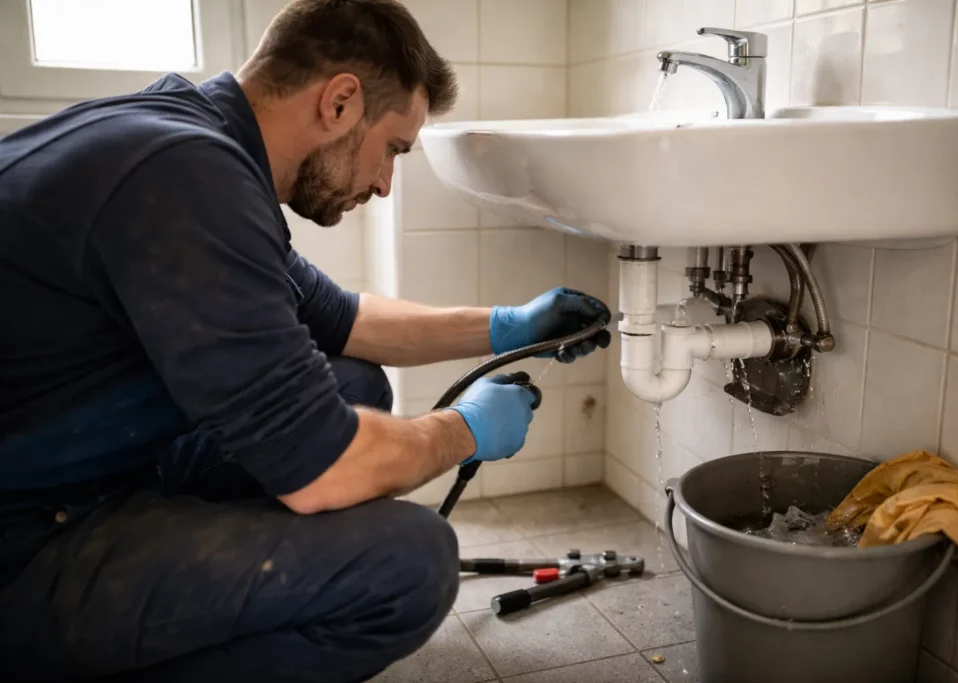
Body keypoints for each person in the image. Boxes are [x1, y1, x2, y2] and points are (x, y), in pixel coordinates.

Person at [0, 0, 612, 680]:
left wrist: (506, 326)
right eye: (392, 150)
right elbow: (327, 469)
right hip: (22, 540)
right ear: (342, 102)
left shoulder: (184, 139)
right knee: (409, 564)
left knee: (356, 382)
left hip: (73, 463)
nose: (384, 183)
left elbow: (346, 319)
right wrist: (462, 430)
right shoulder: (189, 177)